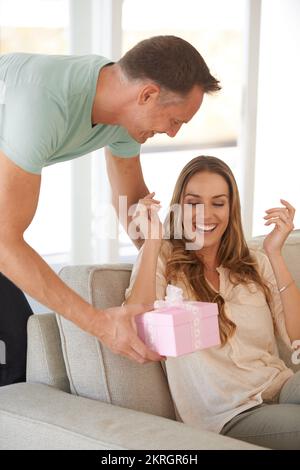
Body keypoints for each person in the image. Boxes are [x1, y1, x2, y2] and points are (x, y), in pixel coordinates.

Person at [0, 36, 220, 366]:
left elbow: (132, 203)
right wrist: (102, 325)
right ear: (148, 95)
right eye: (175, 121)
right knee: (15, 351)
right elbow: (6, 243)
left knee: (18, 354)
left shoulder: (120, 110)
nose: (173, 133)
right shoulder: (44, 103)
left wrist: (177, 274)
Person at [124, 156, 300, 450]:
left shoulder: (255, 261)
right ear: (179, 206)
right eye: (193, 203)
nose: (205, 214)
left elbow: (297, 337)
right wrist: (152, 241)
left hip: (281, 386)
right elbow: (135, 321)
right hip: (231, 415)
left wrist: (275, 254)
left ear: (232, 209)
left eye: (218, 203)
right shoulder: (163, 259)